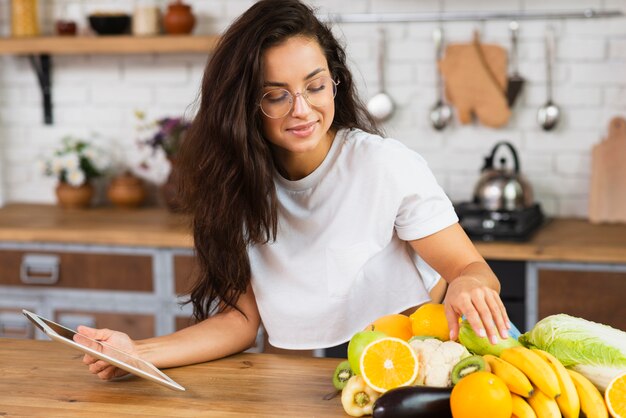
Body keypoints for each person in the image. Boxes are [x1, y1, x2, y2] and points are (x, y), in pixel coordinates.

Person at [78, 0, 511, 380]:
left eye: (315, 86)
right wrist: (137, 353)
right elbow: (239, 321)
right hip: (293, 382)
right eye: (275, 95)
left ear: (334, 82)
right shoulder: (233, 187)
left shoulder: (384, 164)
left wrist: (467, 284)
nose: (302, 109)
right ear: (243, 104)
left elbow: (471, 269)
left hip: (408, 372)